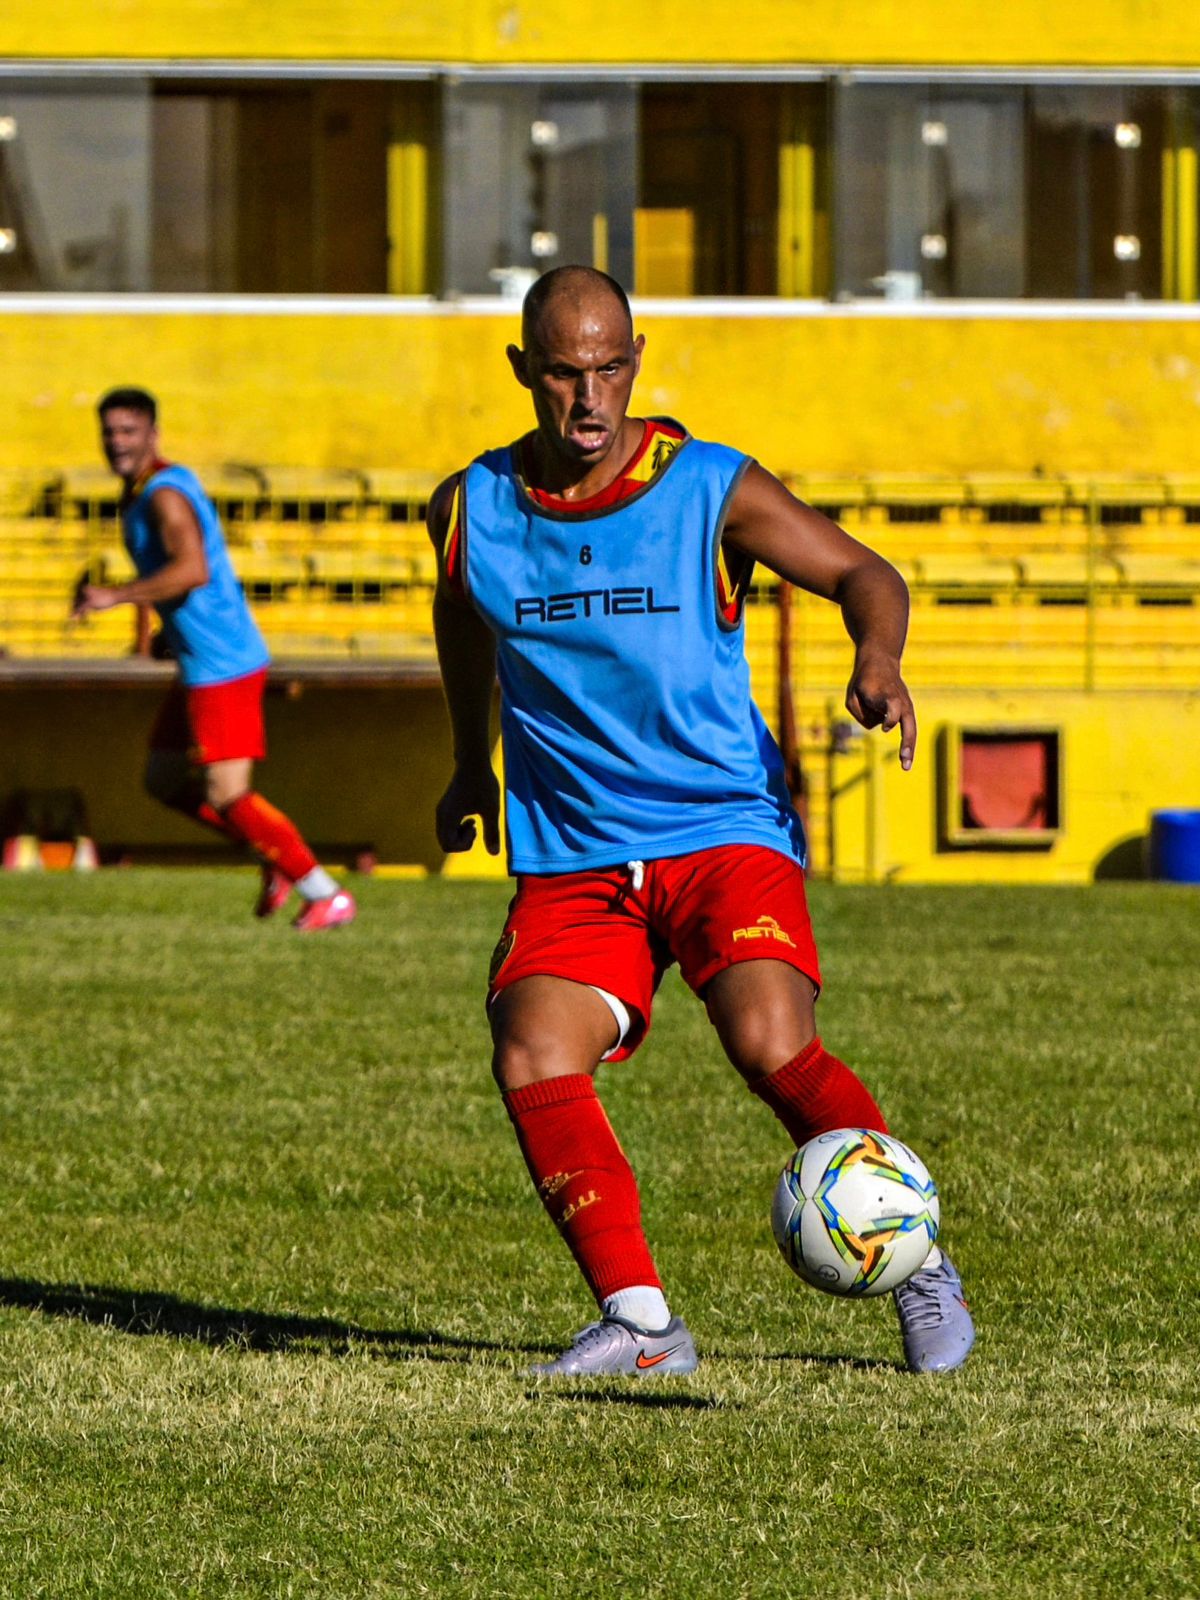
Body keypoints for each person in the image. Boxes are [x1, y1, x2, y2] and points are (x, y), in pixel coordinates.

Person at [429, 267, 974, 1377]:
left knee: (768, 1041)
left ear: (638, 359)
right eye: (565, 374)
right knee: (531, 1049)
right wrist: (467, 763)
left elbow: (864, 572)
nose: (591, 397)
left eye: (610, 368)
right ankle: (641, 1324)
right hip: (575, 853)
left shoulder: (709, 487)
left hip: (722, 826)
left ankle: (916, 1260)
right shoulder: (470, 507)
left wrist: (878, 660)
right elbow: (463, 623)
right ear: (524, 371)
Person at [73, 387, 356, 932]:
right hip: (197, 659)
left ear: (153, 434)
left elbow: (192, 569)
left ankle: (326, 893)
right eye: (109, 432)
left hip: (221, 663)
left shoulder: (164, 495)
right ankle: (274, 855)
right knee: (162, 779)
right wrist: (168, 633)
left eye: (129, 431)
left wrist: (116, 595)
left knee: (228, 794)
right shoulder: (144, 491)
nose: (117, 442)